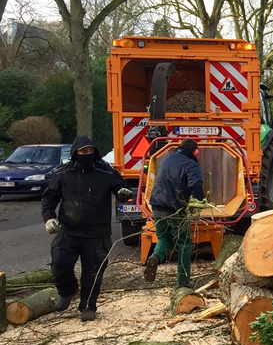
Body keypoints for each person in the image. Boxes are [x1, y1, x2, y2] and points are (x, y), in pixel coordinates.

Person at [41, 136, 133, 322]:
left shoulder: (105, 172)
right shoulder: (62, 173)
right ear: (75, 153)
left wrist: (123, 193)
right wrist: (49, 218)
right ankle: (67, 291)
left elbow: (120, 188)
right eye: (83, 151)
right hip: (68, 230)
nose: (87, 154)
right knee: (59, 263)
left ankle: (88, 306)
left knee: (93, 272)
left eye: (91, 151)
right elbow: (49, 197)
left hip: (97, 232)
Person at [144, 139, 205, 288]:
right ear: (195, 152)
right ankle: (183, 281)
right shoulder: (191, 164)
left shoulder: (166, 160)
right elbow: (196, 185)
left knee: (164, 237)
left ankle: (155, 257)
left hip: (157, 207)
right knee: (184, 243)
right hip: (175, 209)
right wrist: (200, 200)